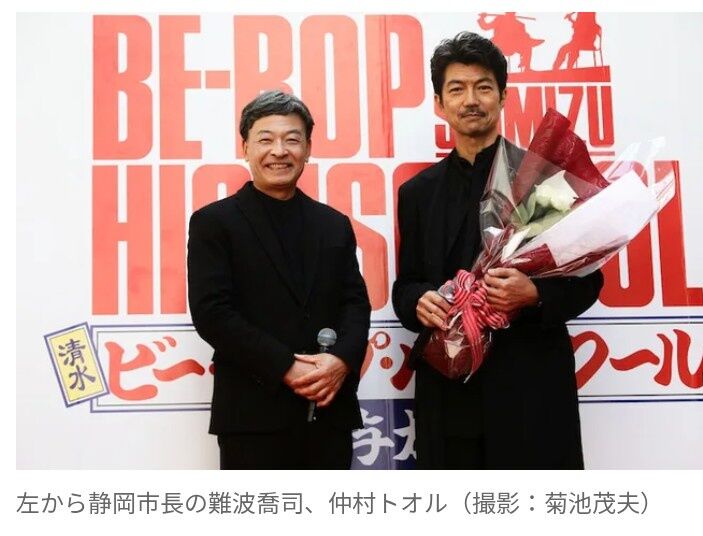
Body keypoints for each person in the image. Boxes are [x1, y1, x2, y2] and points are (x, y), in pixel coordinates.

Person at [392, 32, 604, 469]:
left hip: (530, 383)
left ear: (503, 96)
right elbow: (406, 285)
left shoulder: (545, 178)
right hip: (450, 385)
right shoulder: (417, 193)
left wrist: (535, 294)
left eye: (483, 87)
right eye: (457, 89)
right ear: (439, 103)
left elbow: (588, 280)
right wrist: (418, 301)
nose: (471, 100)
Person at [188, 90, 371, 469]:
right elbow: (212, 313)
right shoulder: (214, 223)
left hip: (327, 410)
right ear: (245, 148)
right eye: (266, 139)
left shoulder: (333, 225)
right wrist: (286, 366)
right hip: (252, 417)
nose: (279, 151)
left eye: (292, 139)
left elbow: (355, 305)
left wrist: (340, 360)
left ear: (308, 148)